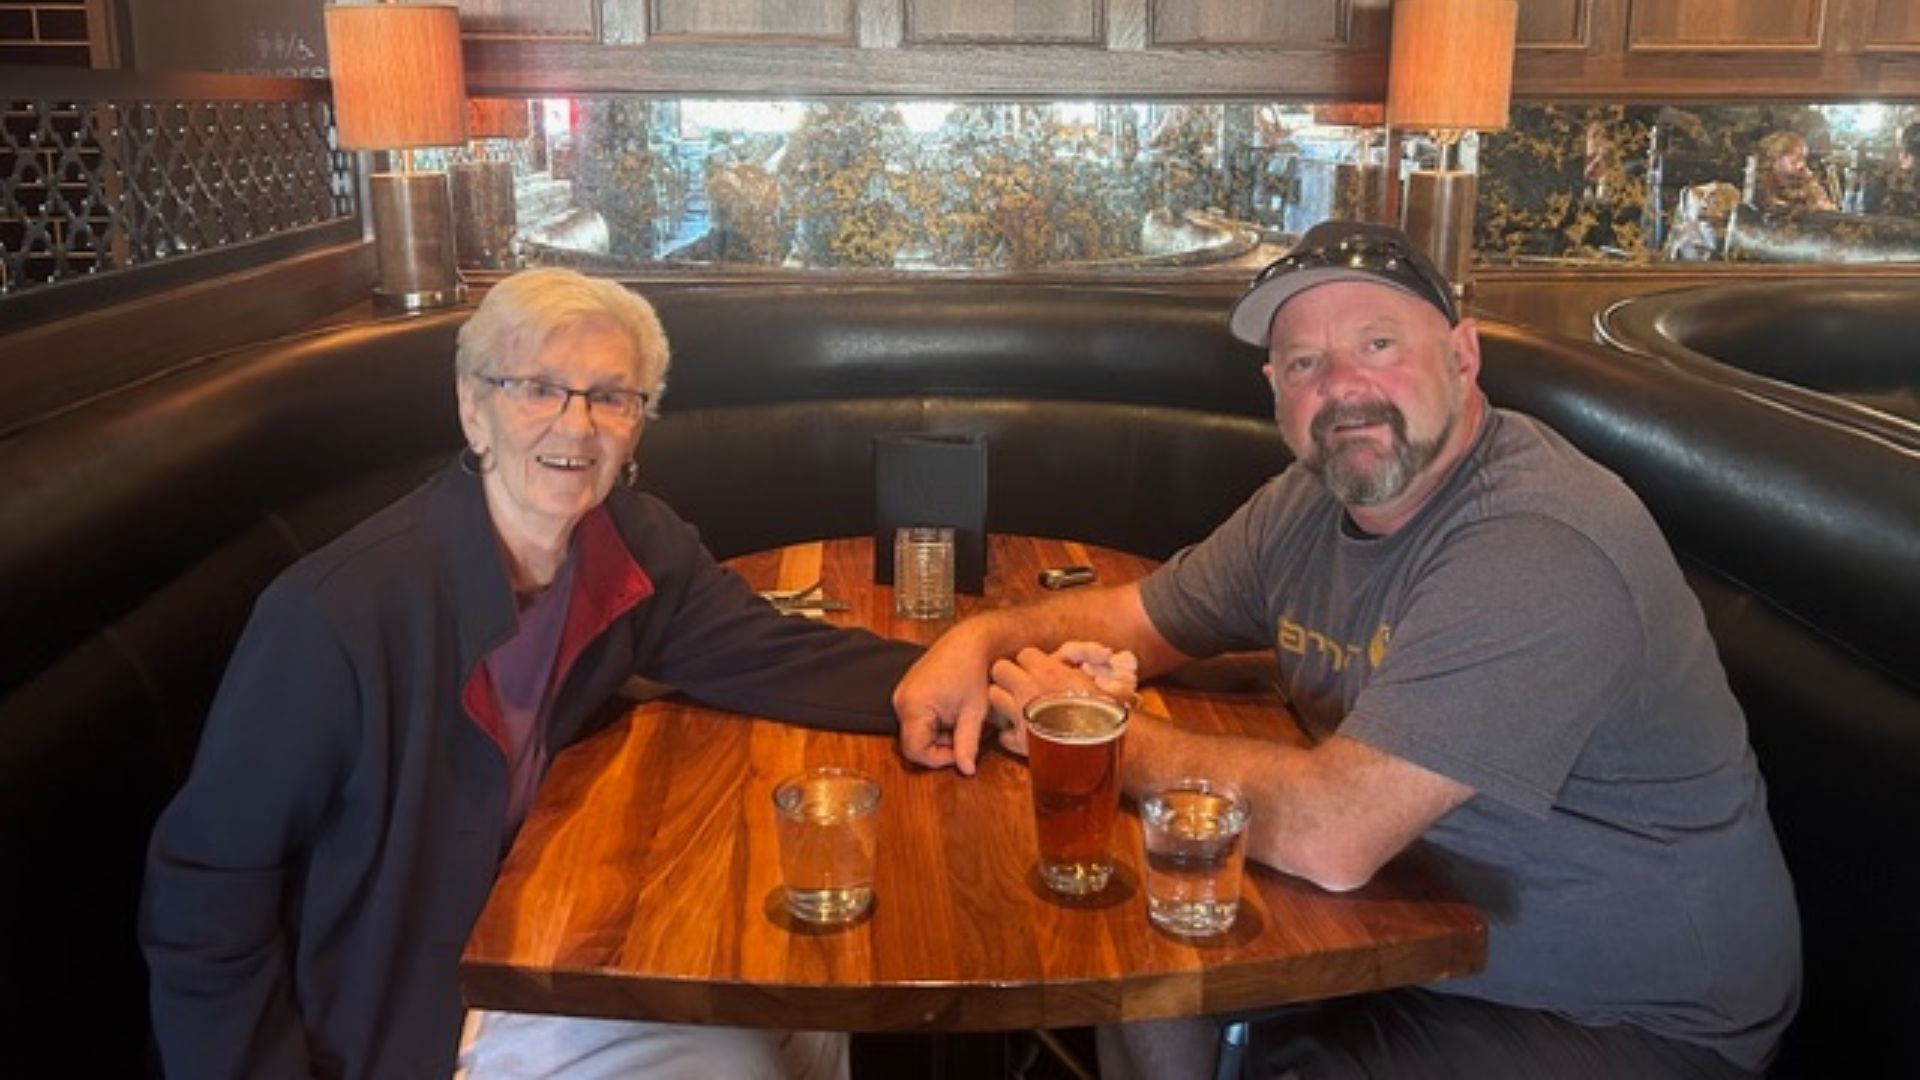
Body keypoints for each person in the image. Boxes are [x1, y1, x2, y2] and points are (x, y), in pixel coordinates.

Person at [893, 221, 1801, 1078]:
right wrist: (979, 640)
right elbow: (1141, 619)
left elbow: (1334, 836)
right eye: (1305, 362)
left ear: (1463, 355)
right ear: (1277, 391)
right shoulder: (1314, 498)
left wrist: (1089, 736)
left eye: (1379, 345)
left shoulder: (1537, 543)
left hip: (1622, 1016)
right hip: (1406, 933)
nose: (1343, 387)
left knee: (1167, 942)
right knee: (1151, 957)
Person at [142, 268, 919, 1079]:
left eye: (612, 397)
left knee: (813, 1006)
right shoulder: (335, 615)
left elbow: (775, 653)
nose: (576, 427)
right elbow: (205, 894)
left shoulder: (629, 543)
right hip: (418, 1010)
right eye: (540, 389)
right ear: (472, 408)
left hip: (551, 931)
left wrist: (960, 678)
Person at [1752, 129, 1836, 214]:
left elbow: (1826, 207)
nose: (1802, 165)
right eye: (1796, 159)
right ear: (1775, 157)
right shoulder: (1757, 185)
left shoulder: (1807, 181)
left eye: (1803, 159)